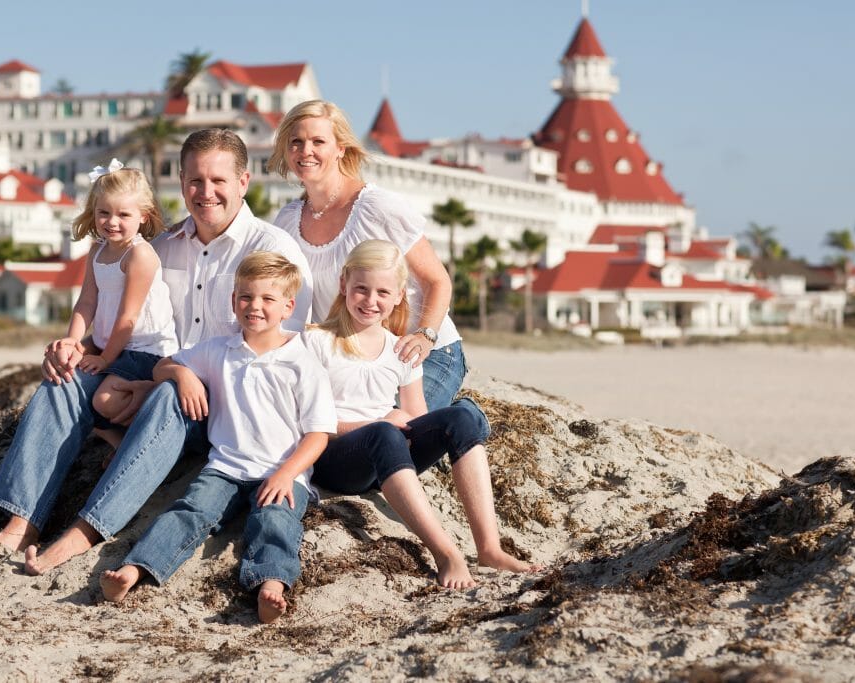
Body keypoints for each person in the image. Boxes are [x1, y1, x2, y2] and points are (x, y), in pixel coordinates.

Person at [0, 129, 313, 566]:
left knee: (170, 397)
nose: (205, 192)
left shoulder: (273, 251)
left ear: (243, 182)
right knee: (65, 381)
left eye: (218, 181)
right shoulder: (158, 248)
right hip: (153, 374)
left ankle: (83, 532)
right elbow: (126, 325)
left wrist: (165, 380)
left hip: (221, 407)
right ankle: (19, 525)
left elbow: (276, 360)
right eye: (195, 180)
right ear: (180, 181)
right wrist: (74, 348)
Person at [99, 252, 336, 623]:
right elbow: (162, 367)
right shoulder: (218, 350)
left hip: (281, 472)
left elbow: (318, 435)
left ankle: (271, 584)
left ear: (289, 306)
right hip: (224, 468)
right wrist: (184, 375)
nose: (254, 307)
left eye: (267, 299)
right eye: (245, 297)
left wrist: (286, 474)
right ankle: (134, 570)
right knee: (189, 512)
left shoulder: (302, 362)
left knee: (275, 520)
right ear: (233, 300)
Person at [303, 240, 539, 589]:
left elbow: (415, 419)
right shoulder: (317, 342)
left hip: (388, 457)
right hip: (338, 459)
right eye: (362, 289)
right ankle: (446, 555)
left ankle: (489, 548)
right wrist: (378, 423)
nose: (371, 301)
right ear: (344, 285)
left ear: (399, 295)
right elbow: (309, 423)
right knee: (384, 432)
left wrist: (406, 425)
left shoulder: (400, 349)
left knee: (461, 417)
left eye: (383, 292)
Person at [269, 99, 466, 411]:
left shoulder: (378, 208)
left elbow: (438, 280)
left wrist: (426, 336)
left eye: (318, 141)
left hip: (418, 353)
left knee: (394, 430)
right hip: (348, 356)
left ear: (340, 149)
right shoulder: (286, 222)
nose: (306, 151)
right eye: (296, 142)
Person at [58, 159, 178, 452]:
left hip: (145, 349)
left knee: (103, 400)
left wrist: (105, 360)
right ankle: (118, 441)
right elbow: (86, 302)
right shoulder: (97, 251)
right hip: (112, 345)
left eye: (123, 214)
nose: (112, 222)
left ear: (144, 217)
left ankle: (153, 417)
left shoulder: (140, 255)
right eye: (104, 213)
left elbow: (128, 317)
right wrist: (73, 341)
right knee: (69, 379)